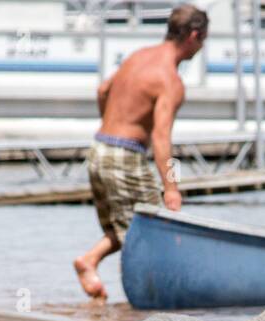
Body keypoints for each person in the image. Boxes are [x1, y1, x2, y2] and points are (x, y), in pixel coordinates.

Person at [73, 5, 209, 300]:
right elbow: (161, 138)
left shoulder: (138, 56)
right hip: (125, 157)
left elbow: (103, 90)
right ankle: (149, 301)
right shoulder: (170, 81)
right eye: (203, 41)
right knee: (152, 230)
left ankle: (89, 262)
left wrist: (110, 124)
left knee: (128, 227)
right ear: (194, 36)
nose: (201, 48)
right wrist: (171, 187)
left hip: (99, 149)